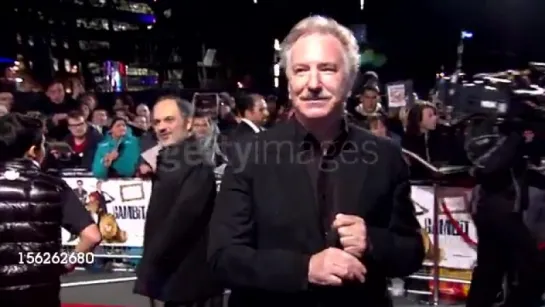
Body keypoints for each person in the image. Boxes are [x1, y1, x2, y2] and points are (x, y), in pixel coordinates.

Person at [208, 16, 424, 307]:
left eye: (327, 69)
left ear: (349, 81)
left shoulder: (384, 156)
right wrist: (304, 269)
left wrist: (372, 242)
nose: (312, 83)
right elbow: (223, 257)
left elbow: (411, 251)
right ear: (289, 82)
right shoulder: (248, 154)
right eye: (300, 70)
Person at [0, 113, 101, 307]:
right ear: (33, 151)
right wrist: (63, 263)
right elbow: (92, 236)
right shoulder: (53, 185)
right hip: (40, 292)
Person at [134, 96, 223, 307]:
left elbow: (182, 219)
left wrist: (150, 262)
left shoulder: (196, 164)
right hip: (174, 276)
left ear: (189, 122)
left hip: (192, 282)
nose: (162, 127)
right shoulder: (171, 159)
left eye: (169, 120)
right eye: (157, 122)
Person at [466, 120, 545, 307]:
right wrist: (517, 138)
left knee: (490, 272)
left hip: (500, 211)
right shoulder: (494, 135)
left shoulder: (510, 139)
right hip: (498, 212)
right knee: (533, 268)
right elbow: (489, 165)